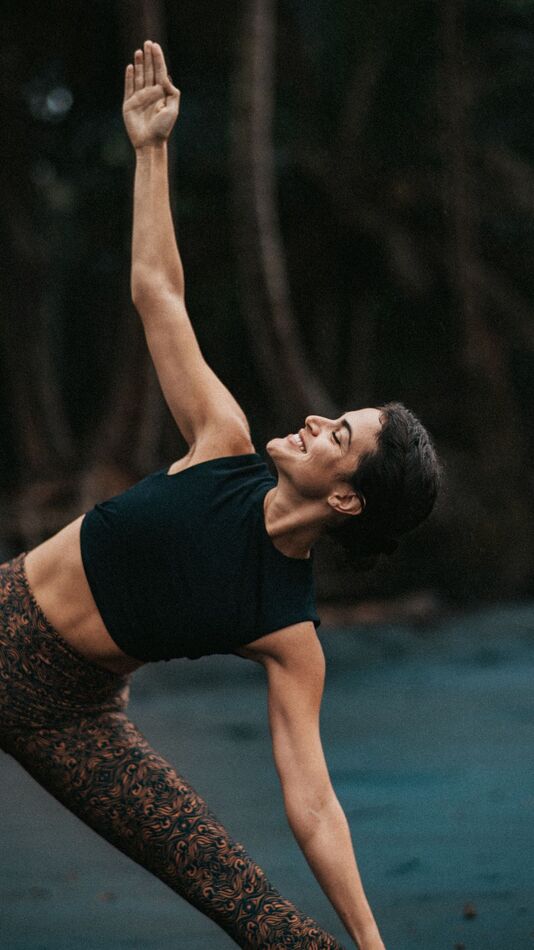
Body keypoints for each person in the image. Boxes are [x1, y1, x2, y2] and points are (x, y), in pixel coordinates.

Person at [0, 41, 441, 950]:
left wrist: (370, 941)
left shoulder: (288, 631)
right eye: (335, 417)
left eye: (339, 436)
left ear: (348, 501)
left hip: (75, 717)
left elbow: (311, 800)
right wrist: (151, 149)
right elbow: (157, 290)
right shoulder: (221, 441)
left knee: (252, 908)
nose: (316, 421)